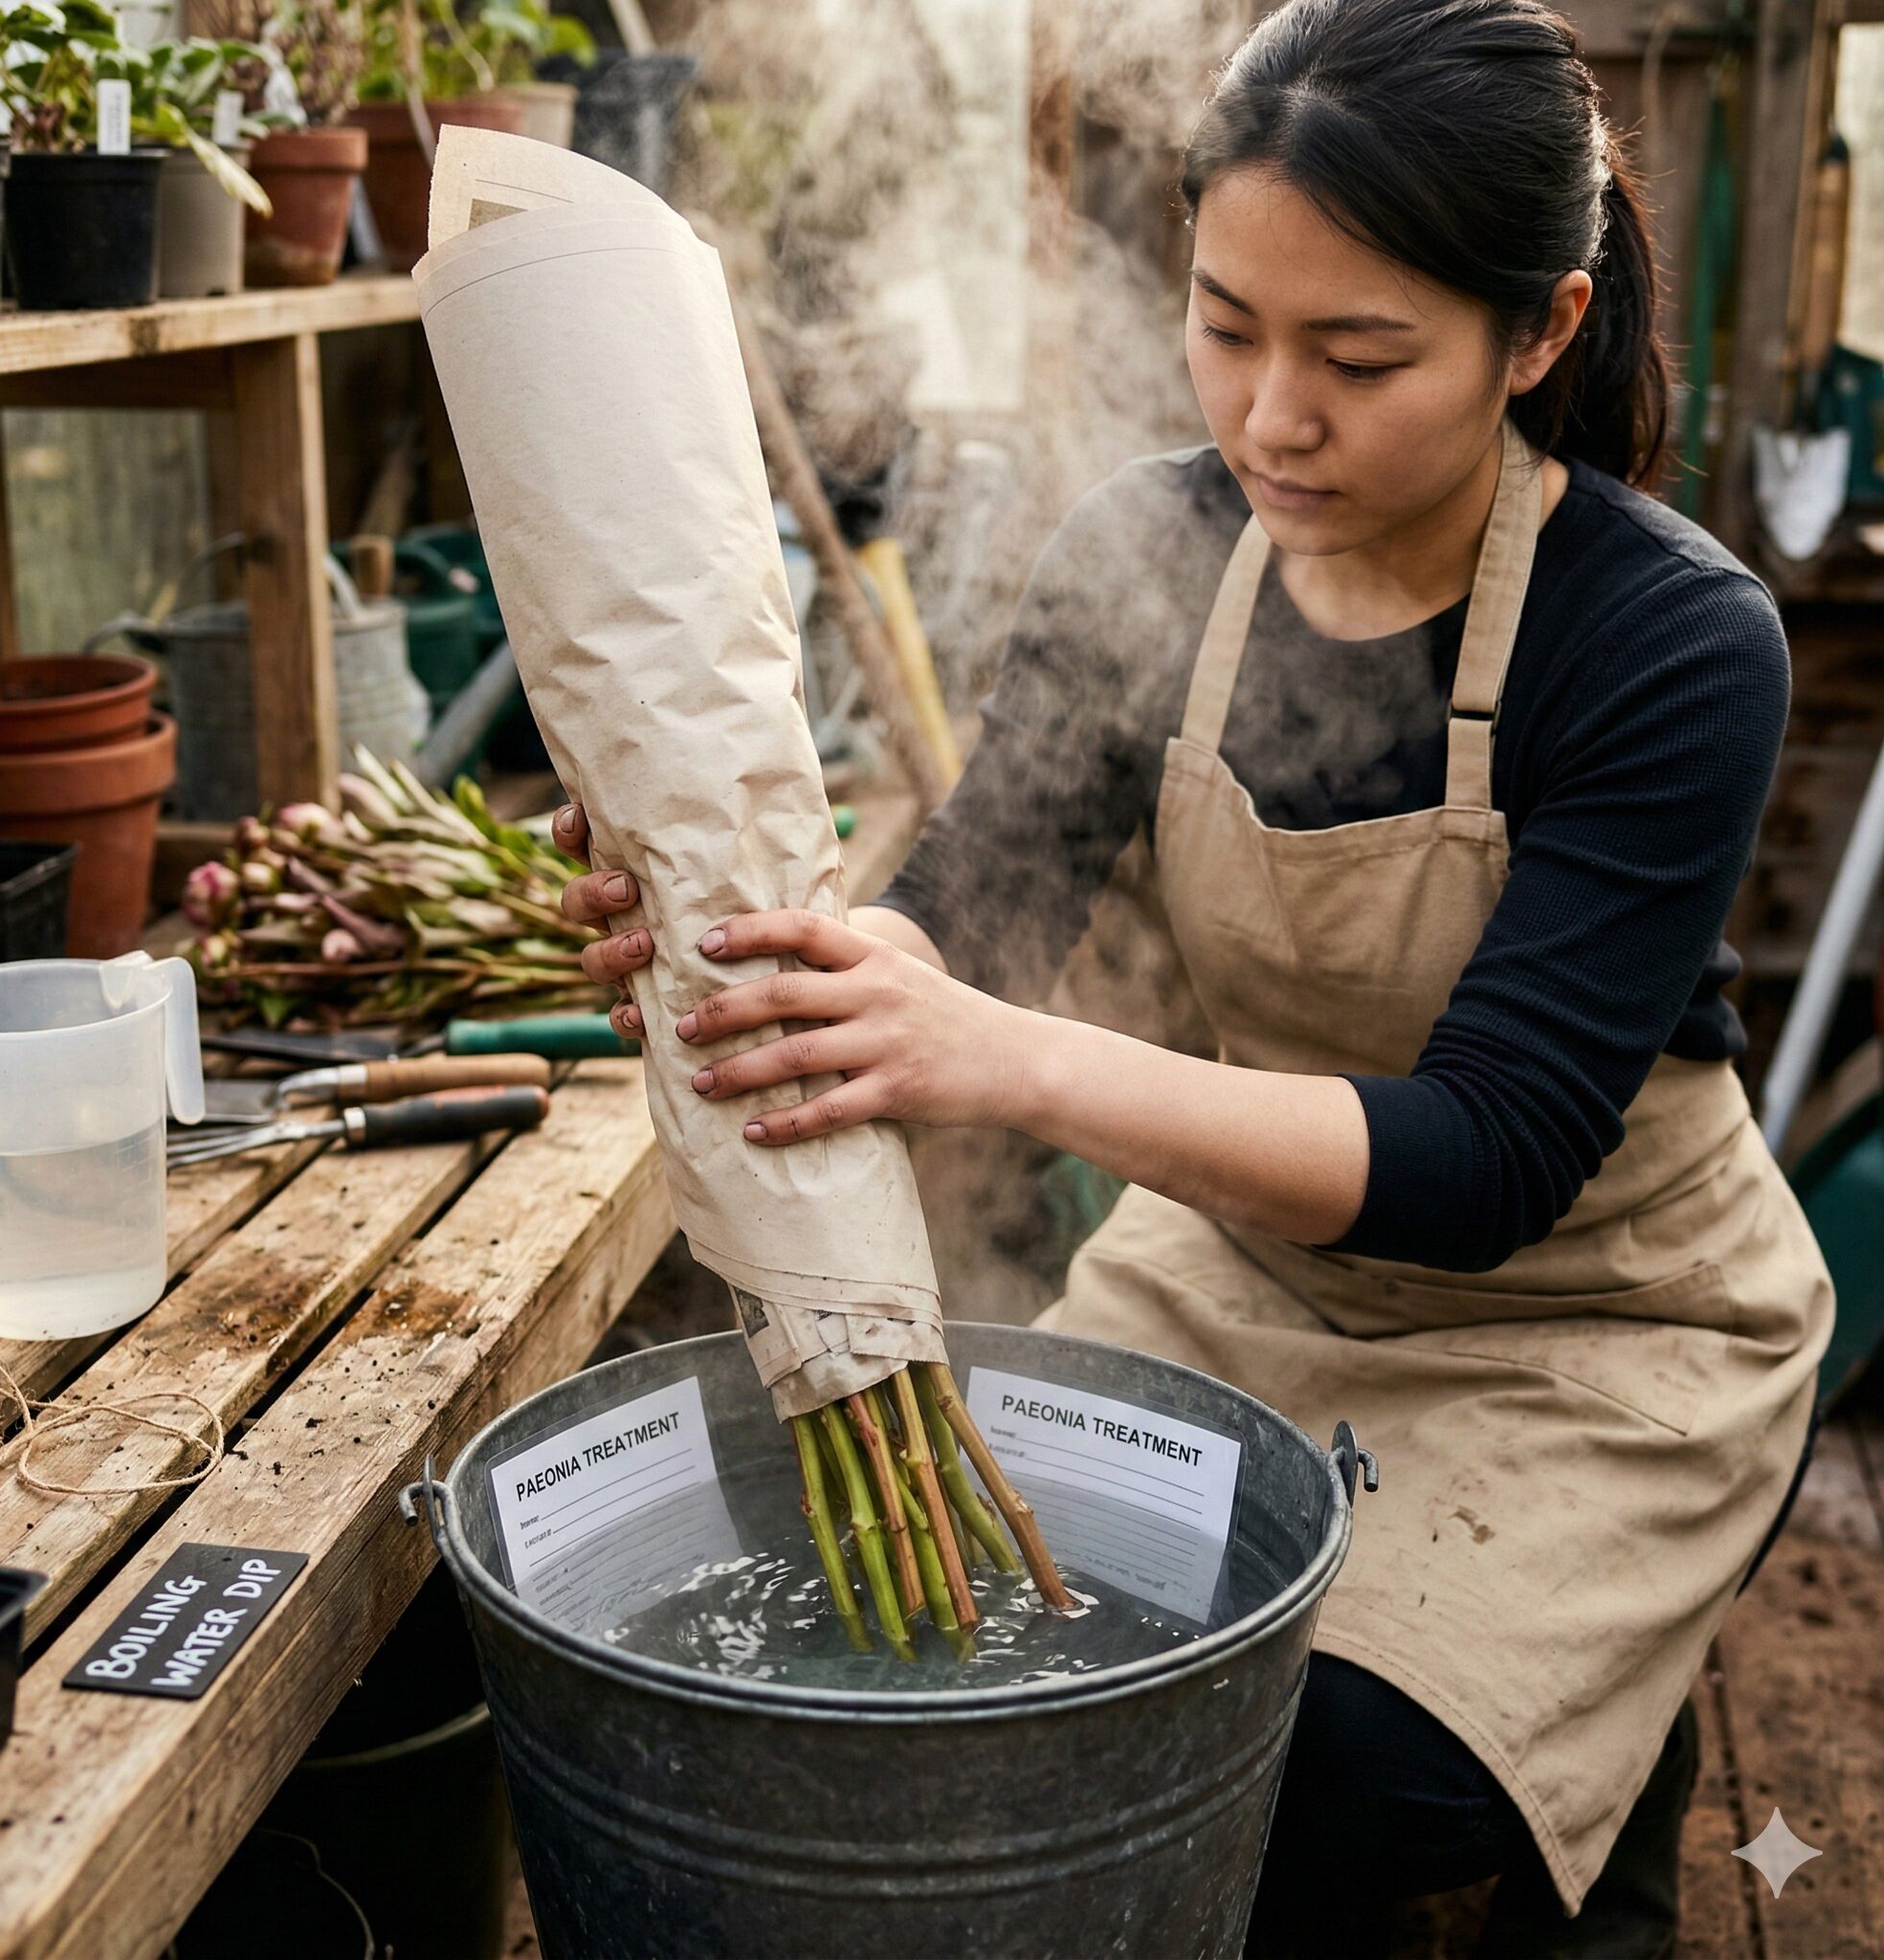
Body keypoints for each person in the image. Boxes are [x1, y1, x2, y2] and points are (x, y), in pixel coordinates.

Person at [549, 0, 1832, 1950]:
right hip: (1241, 1260)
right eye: (1226, 325)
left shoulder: (1667, 641)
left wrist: (1007, 1064)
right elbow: (972, 902)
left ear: (1543, 331)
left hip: (1593, 1312)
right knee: (1036, 1659)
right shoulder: (1142, 552)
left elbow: (1488, 1157)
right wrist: (774, 946)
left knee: (1329, 1766)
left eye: (1359, 355)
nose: (1269, 417)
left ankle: (1601, 1759)